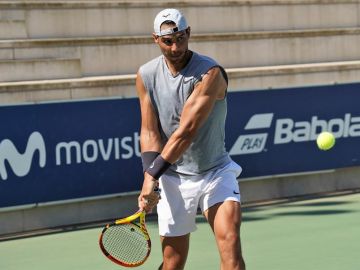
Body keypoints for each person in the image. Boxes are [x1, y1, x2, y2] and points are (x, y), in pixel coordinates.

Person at [136, 8, 246, 270]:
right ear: (155, 39)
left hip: (215, 173)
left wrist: (152, 176)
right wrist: (149, 176)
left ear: (188, 34)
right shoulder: (146, 75)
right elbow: (150, 131)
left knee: (230, 244)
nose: (176, 47)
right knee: (172, 263)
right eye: (168, 41)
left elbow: (186, 132)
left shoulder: (210, 74)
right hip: (173, 178)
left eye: (181, 38)